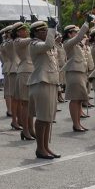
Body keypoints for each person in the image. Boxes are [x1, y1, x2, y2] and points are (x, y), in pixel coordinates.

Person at [28, 18, 61, 159]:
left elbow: (51, 44)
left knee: (48, 118)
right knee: (42, 118)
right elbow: (48, 43)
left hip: (51, 82)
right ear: (35, 33)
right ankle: (40, 148)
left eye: (46, 29)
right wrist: (53, 29)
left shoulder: (46, 45)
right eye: (43, 30)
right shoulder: (34, 44)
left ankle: (46, 147)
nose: (46, 32)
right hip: (41, 83)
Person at [62, 20, 92, 133]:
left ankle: (78, 123)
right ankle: (75, 124)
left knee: (79, 98)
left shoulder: (77, 44)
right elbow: (79, 37)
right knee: (75, 99)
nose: (78, 33)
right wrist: (87, 23)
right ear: (69, 34)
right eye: (75, 32)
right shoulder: (68, 43)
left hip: (80, 71)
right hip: (74, 72)